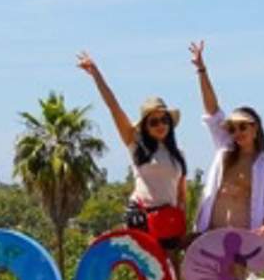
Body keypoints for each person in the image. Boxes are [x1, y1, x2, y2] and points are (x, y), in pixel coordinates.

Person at [186, 41, 264, 280]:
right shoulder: (223, 150)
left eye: (244, 127)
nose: (237, 131)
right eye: (234, 127)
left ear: (255, 129)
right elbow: (212, 112)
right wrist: (201, 69)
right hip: (209, 238)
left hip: (239, 244)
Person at [75, 52, 189, 256]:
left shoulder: (178, 154)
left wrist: (182, 222)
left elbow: (181, 195)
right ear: (145, 126)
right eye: (153, 122)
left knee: (164, 269)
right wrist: (96, 75)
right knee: (148, 267)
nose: (160, 125)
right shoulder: (136, 146)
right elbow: (114, 108)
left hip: (167, 219)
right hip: (142, 216)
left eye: (164, 120)